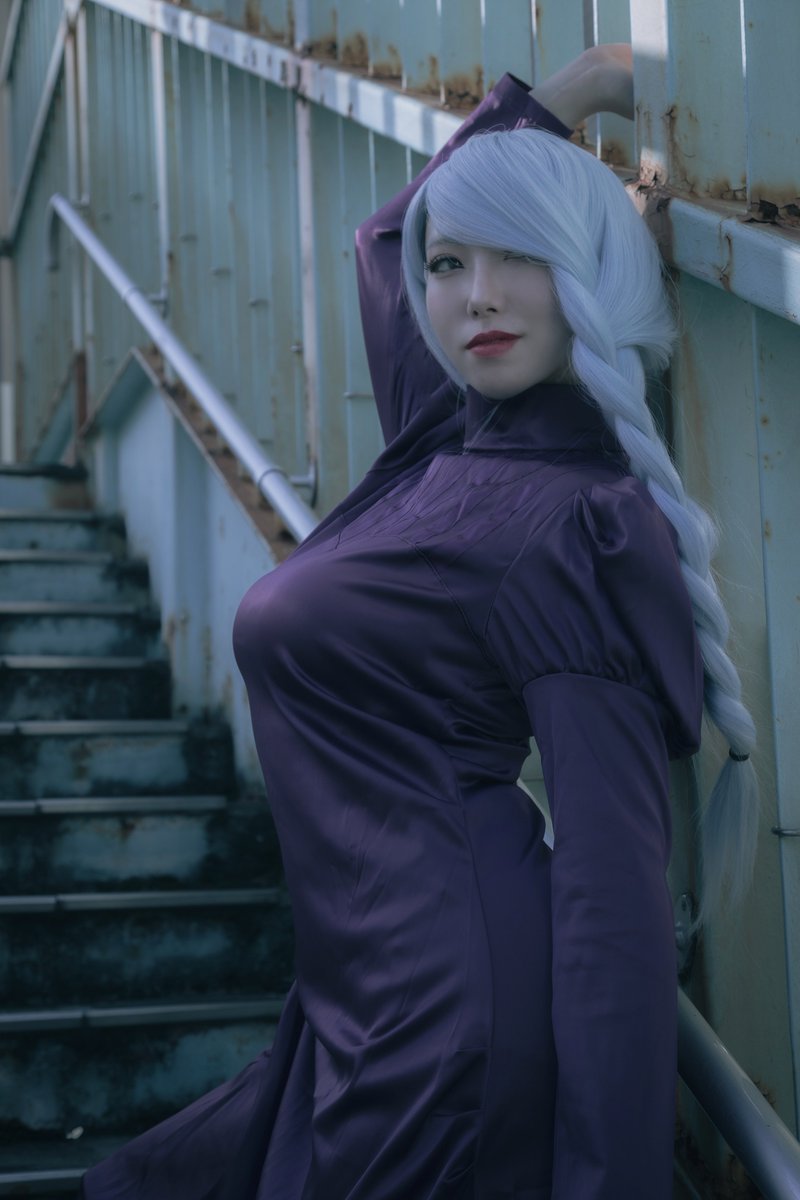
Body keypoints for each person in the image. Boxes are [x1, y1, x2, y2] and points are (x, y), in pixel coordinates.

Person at [81, 45, 757, 1200]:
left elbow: (611, 899)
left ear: (593, 270)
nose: (475, 294)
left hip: (450, 1027)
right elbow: (387, 234)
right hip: (351, 995)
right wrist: (577, 87)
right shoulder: (439, 441)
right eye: (452, 266)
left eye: (522, 256)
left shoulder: (577, 524)